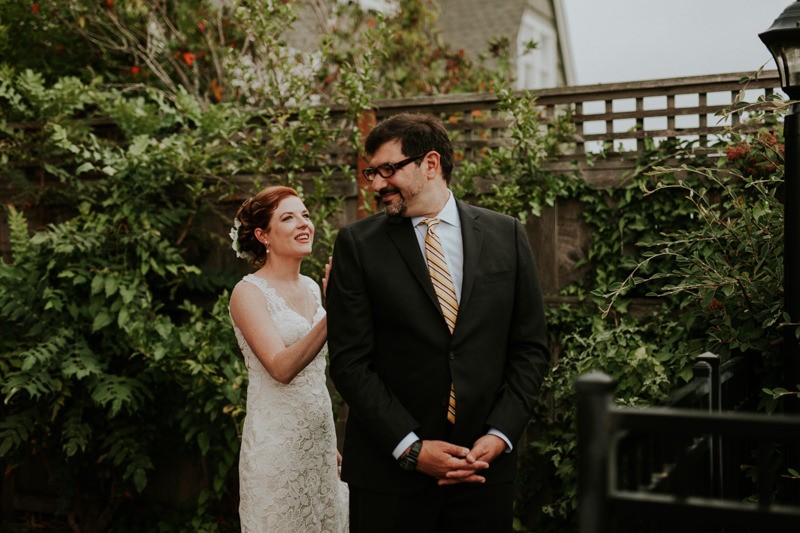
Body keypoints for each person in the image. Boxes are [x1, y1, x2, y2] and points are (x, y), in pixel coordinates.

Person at [326, 113, 550, 532]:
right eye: (371, 172)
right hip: (389, 478)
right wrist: (411, 448)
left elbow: (531, 349)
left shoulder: (508, 235)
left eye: (388, 170)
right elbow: (350, 361)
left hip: (483, 473)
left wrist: (499, 435)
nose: (376, 184)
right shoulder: (357, 246)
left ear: (431, 164)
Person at [228, 185, 348, 533]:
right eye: (288, 217)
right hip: (276, 449)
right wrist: (335, 313)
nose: (303, 223)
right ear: (263, 235)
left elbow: (316, 375)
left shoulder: (312, 287)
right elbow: (280, 368)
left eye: (305, 215)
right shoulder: (248, 292)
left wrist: (328, 443)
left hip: (320, 444)